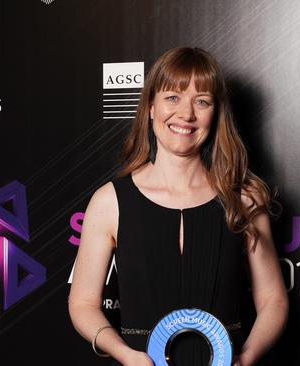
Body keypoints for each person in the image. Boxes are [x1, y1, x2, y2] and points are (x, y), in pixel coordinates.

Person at [69, 47, 288, 366]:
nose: (186, 114)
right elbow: (83, 303)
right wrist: (126, 355)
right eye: (172, 97)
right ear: (150, 107)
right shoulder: (110, 201)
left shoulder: (244, 199)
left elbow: (273, 299)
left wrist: (247, 357)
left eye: (202, 101)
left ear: (215, 114)